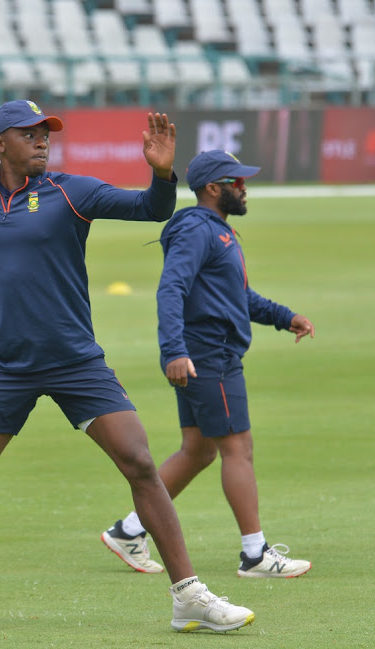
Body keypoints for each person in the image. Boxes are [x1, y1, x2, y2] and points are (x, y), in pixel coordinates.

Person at [0, 101, 255, 633]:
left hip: (74, 361)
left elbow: (150, 210)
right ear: (0, 143)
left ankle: (188, 596)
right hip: (4, 367)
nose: (43, 140)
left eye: (47, 133)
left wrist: (161, 176)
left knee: (139, 462)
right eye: (30, 134)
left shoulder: (72, 191)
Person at [101, 149, 314, 578]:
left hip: (204, 354)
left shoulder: (217, 231)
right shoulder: (199, 231)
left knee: (198, 450)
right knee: (238, 448)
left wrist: (283, 316)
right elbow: (171, 289)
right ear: (213, 189)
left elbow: (238, 297)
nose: (244, 187)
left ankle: (129, 530)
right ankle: (255, 554)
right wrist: (174, 351)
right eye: (236, 181)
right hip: (207, 356)